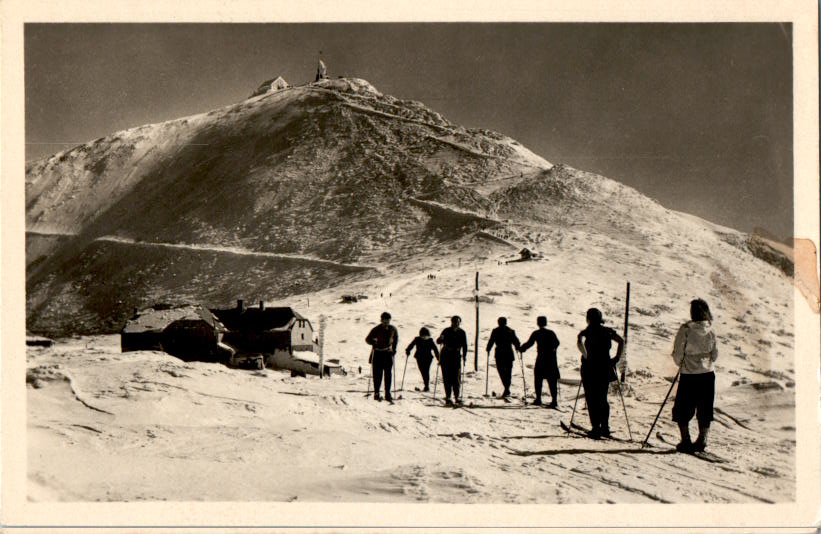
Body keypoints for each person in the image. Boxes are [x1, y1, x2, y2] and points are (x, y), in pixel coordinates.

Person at [671, 298, 719, 453]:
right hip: (707, 373)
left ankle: (686, 440)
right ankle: (702, 439)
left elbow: (678, 351)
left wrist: (682, 364)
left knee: (682, 407)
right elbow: (715, 353)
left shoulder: (686, 329)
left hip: (689, 374)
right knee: (705, 406)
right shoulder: (710, 329)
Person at [577, 308, 623, 438]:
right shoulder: (607, 331)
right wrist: (617, 358)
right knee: (602, 398)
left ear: (588, 318)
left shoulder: (586, 331)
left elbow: (580, 344)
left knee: (591, 398)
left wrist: (585, 356)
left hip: (589, 368)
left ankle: (596, 428)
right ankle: (605, 427)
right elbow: (621, 341)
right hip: (604, 367)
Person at [520, 316, 561, 407]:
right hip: (551, 359)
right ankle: (554, 400)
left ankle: (538, 399)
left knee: (538, 378)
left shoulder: (536, 333)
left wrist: (522, 348)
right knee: (552, 380)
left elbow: (529, 343)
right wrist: (553, 349)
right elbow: (557, 343)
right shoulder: (551, 333)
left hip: (541, 358)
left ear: (538, 323)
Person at [365, 312, 398, 402]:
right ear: (381, 320)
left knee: (388, 374)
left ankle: (388, 393)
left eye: (388, 320)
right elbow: (367, 339)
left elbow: (396, 339)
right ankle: (376, 393)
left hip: (387, 354)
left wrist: (394, 350)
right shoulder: (376, 329)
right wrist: (373, 341)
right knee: (377, 375)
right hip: (377, 354)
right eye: (385, 320)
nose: (387, 322)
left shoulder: (393, 329)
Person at [436, 316, 468, 405]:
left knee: (456, 377)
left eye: (458, 322)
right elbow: (438, 342)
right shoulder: (446, 331)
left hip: (456, 356)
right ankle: (448, 396)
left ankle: (457, 397)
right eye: (454, 322)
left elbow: (465, 345)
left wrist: (464, 356)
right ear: (451, 322)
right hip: (446, 355)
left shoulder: (462, 332)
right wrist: (440, 339)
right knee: (446, 377)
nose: (456, 323)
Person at [486, 317, 521, 398]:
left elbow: (491, 340)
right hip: (508, 353)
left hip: (500, 353)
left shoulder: (496, 331)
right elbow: (516, 341)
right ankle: (507, 388)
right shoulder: (510, 331)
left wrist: (488, 348)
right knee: (508, 372)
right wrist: (518, 347)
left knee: (502, 371)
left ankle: (507, 388)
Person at [405, 327, 439, 391]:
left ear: (429, 336)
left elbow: (435, 349)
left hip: (428, 358)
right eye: (423, 336)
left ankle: (427, 386)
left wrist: (438, 358)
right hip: (419, 357)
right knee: (422, 371)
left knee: (426, 371)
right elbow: (411, 345)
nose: (424, 337)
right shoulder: (417, 339)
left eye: (426, 336)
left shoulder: (430, 341)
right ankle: (426, 385)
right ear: (420, 335)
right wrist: (408, 350)